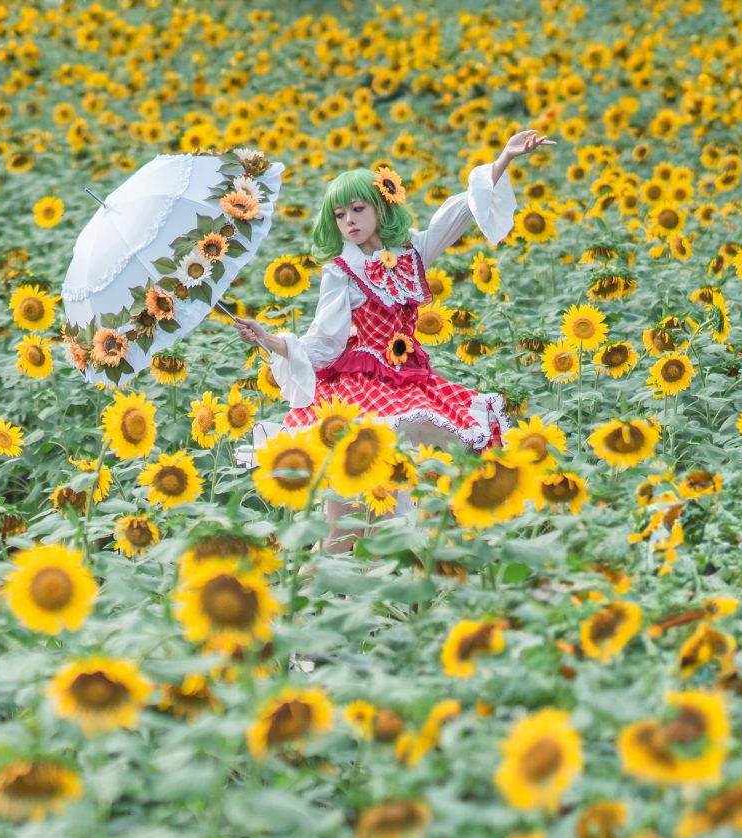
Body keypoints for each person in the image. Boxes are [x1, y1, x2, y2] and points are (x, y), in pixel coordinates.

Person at [232, 129, 554, 558]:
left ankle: (384, 604)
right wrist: (269, 338)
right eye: (340, 214)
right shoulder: (342, 270)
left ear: (383, 206)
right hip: (359, 389)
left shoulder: (413, 252)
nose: (349, 220)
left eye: (358, 208)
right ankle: (317, 600)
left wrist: (503, 160)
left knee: (402, 518)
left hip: (412, 383)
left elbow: (455, 217)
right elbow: (324, 342)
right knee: (343, 531)